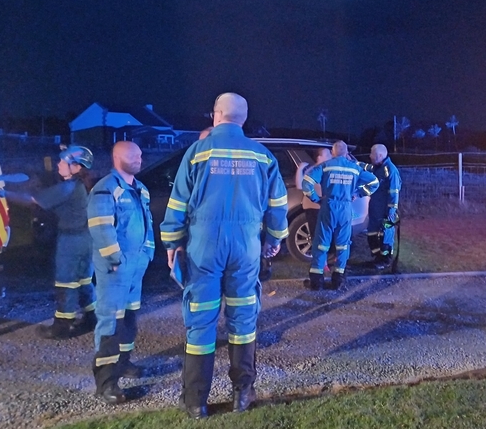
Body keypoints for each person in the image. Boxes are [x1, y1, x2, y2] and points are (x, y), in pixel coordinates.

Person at [161, 92, 288, 418]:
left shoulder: (197, 152)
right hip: (246, 246)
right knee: (243, 320)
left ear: (216, 115)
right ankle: (241, 395)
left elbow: (177, 204)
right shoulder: (262, 156)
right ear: (243, 119)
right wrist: (273, 239)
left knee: (201, 322)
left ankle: (195, 402)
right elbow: (277, 206)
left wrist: (173, 243)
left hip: (204, 246)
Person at [5, 145, 97, 339]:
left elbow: (30, 200)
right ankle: (92, 317)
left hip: (71, 241)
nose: (59, 164)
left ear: (76, 167)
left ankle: (62, 326)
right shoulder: (82, 186)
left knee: (66, 282)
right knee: (84, 280)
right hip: (86, 239)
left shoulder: (68, 187)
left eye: (63, 161)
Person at [87, 141, 155, 404]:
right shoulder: (106, 189)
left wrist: (147, 254)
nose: (139, 157)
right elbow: (101, 227)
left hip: (135, 268)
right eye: (133, 153)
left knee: (128, 319)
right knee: (110, 322)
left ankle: (124, 363)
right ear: (117, 157)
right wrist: (115, 259)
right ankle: (106, 383)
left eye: (140, 153)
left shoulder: (140, 189)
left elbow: (147, 225)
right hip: (115, 271)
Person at [302, 141, 379, 290]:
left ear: (333, 152)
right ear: (345, 153)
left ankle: (317, 282)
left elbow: (307, 183)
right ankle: (338, 280)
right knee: (343, 244)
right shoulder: (355, 168)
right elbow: (374, 182)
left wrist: (315, 198)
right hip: (345, 209)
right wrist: (359, 193)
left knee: (321, 243)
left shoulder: (326, 166)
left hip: (328, 207)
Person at [359, 144, 401, 270]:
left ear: (381, 155)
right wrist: (354, 162)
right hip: (375, 210)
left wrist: (391, 211)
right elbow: (368, 168)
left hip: (386, 212)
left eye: (372, 154)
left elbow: (394, 192)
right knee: (372, 233)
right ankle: (377, 258)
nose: (370, 156)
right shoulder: (379, 167)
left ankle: (385, 260)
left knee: (386, 235)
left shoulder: (391, 170)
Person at [295, 147, 333, 275]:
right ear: (319, 157)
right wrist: (300, 169)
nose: (330, 156)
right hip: (313, 208)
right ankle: (322, 264)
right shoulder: (312, 170)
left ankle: (326, 261)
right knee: (318, 237)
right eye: (327, 154)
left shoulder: (329, 168)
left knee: (327, 236)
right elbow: (300, 186)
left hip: (325, 208)